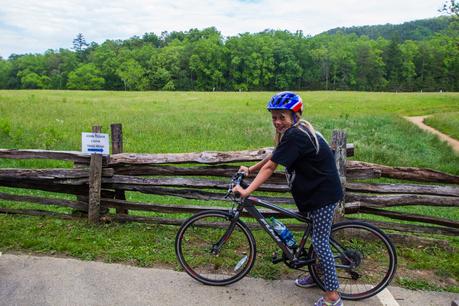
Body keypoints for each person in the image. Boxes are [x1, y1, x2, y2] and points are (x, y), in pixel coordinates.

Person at [232, 91, 344, 306]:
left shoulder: (297, 134)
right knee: (316, 239)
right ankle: (316, 274)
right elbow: (275, 155)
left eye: (282, 116)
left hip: (323, 194)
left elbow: (271, 166)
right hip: (315, 192)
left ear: (296, 114)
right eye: (274, 117)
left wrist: (247, 191)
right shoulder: (296, 131)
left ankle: (333, 297)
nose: (277, 122)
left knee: (320, 243)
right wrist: (250, 169)